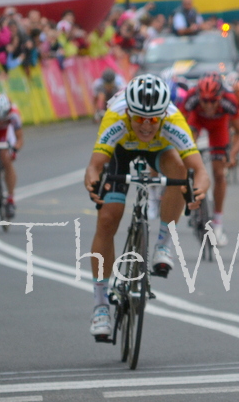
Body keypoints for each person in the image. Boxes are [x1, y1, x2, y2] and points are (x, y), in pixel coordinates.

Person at [84, 74, 210, 338]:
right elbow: (95, 167)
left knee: (178, 170)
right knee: (109, 218)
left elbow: (199, 170)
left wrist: (199, 188)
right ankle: (100, 306)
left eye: (152, 120)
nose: (145, 126)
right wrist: (94, 182)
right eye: (139, 118)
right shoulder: (115, 118)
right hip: (121, 151)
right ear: (128, 111)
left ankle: (164, 243)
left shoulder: (173, 120)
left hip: (159, 150)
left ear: (162, 115)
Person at [179, 72, 239, 245]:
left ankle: (217, 222)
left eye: (213, 101)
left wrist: (232, 155)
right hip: (196, 121)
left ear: (220, 97)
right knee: (186, 157)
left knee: (219, 173)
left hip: (219, 127)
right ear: (199, 97)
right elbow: (179, 126)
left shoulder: (229, 101)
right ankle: (191, 193)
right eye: (204, 101)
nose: (208, 105)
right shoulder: (191, 98)